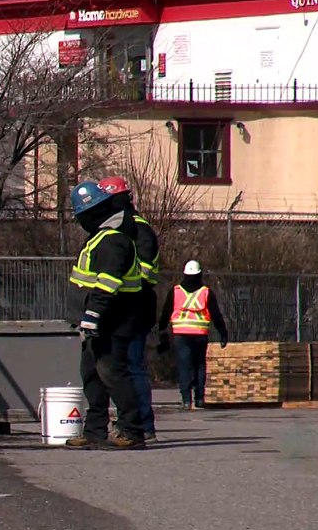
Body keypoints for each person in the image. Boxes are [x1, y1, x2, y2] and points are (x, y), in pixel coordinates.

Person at [64, 180, 146, 450]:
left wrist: (92, 316)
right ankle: (94, 430)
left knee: (112, 374)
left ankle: (132, 430)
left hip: (113, 321)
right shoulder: (101, 238)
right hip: (99, 322)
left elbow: (107, 284)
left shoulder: (113, 241)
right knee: (92, 375)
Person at [98, 176, 160, 441]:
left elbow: (142, 273)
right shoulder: (117, 227)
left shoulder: (136, 228)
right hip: (121, 306)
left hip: (134, 306)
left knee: (130, 365)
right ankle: (127, 423)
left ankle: (142, 426)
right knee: (116, 366)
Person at [158, 260, 229, 409]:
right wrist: (223, 333)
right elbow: (216, 315)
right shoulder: (206, 292)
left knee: (184, 366)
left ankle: (186, 400)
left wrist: (162, 329)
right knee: (199, 365)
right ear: (199, 274)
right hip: (200, 335)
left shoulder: (176, 291)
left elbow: (166, 312)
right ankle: (199, 398)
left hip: (181, 335)